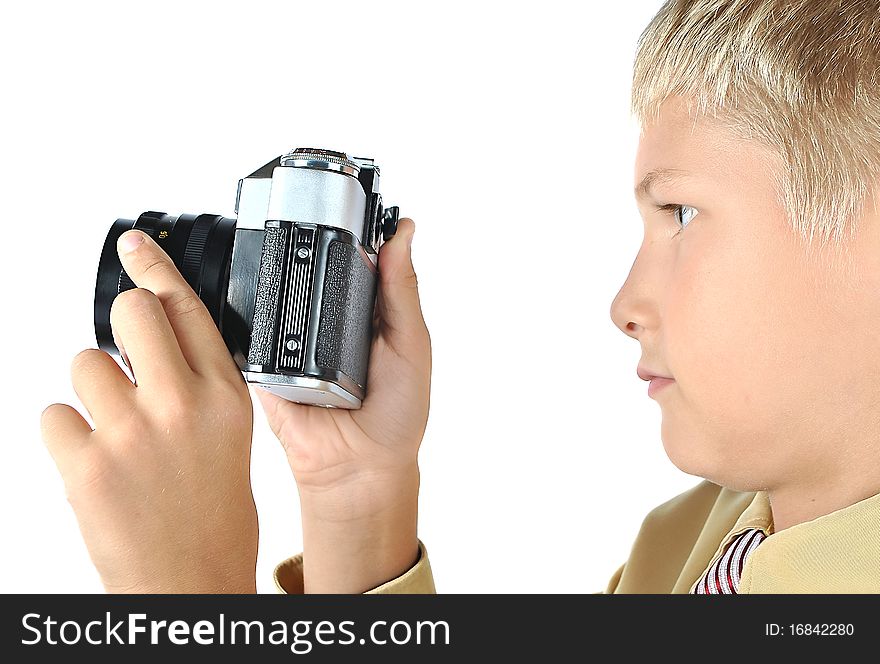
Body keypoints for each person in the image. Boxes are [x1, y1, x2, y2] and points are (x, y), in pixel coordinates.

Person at [41, 0, 880, 594]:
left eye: (682, 213)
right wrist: (354, 495)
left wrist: (184, 602)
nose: (624, 302)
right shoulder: (694, 545)